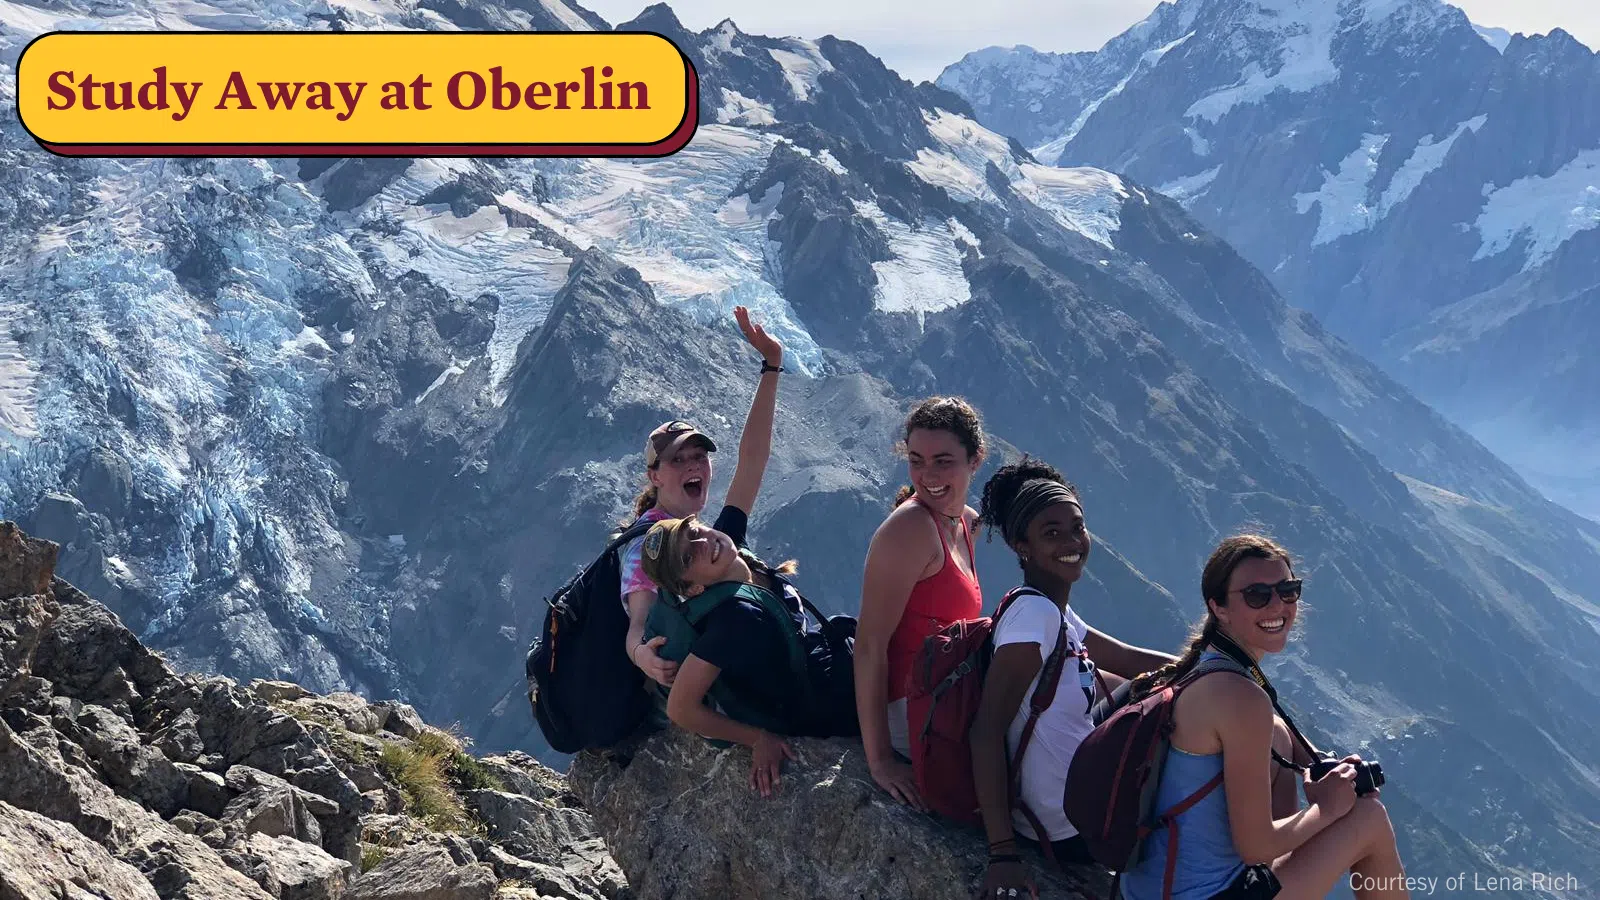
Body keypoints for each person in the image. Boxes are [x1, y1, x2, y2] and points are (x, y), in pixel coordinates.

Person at [1117, 535, 1409, 900]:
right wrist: (1329, 806)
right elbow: (1256, 847)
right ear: (1218, 606)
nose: (1278, 605)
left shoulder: (1203, 669)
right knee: (1370, 820)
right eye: (1257, 595)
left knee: (1278, 736)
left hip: (1151, 889)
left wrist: (1315, 763)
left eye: (1288, 590)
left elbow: (1270, 729)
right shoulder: (1242, 698)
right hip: (1203, 895)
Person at [968, 458, 1179, 896]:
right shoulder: (1035, 617)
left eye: (1077, 528)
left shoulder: (1053, 609)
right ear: (1021, 545)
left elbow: (1127, 659)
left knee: (1170, 693)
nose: (1072, 542)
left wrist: (1216, 666)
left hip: (1070, 801)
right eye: (1052, 533)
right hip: (1066, 824)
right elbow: (985, 732)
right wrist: (1003, 853)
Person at [637, 502, 858, 797]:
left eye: (693, 531)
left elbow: (752, 462)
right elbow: (680, 707)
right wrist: (756, 739)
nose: (703, 542)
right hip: (835, 701)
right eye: (689, 556)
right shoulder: (735, 619)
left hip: (833, 664)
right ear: (692, 589)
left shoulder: (727, 551)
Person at [618, 306, 784, 689]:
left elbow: (752, 460)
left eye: (699, 457)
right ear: (654, 476)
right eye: (678, 460)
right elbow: (638, 622)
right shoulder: (651, 541)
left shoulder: (709, 541)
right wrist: (641, 653)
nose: (694, 466)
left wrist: (772, 365)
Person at [856, 396, 987, 809]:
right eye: (916, 460)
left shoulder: (966, 522)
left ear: (975, 460)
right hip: (910, 709)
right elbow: (869, 645)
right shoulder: (909, 529)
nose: (926, 475)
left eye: (942, 461)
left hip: (951, 692)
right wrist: (879, 760)